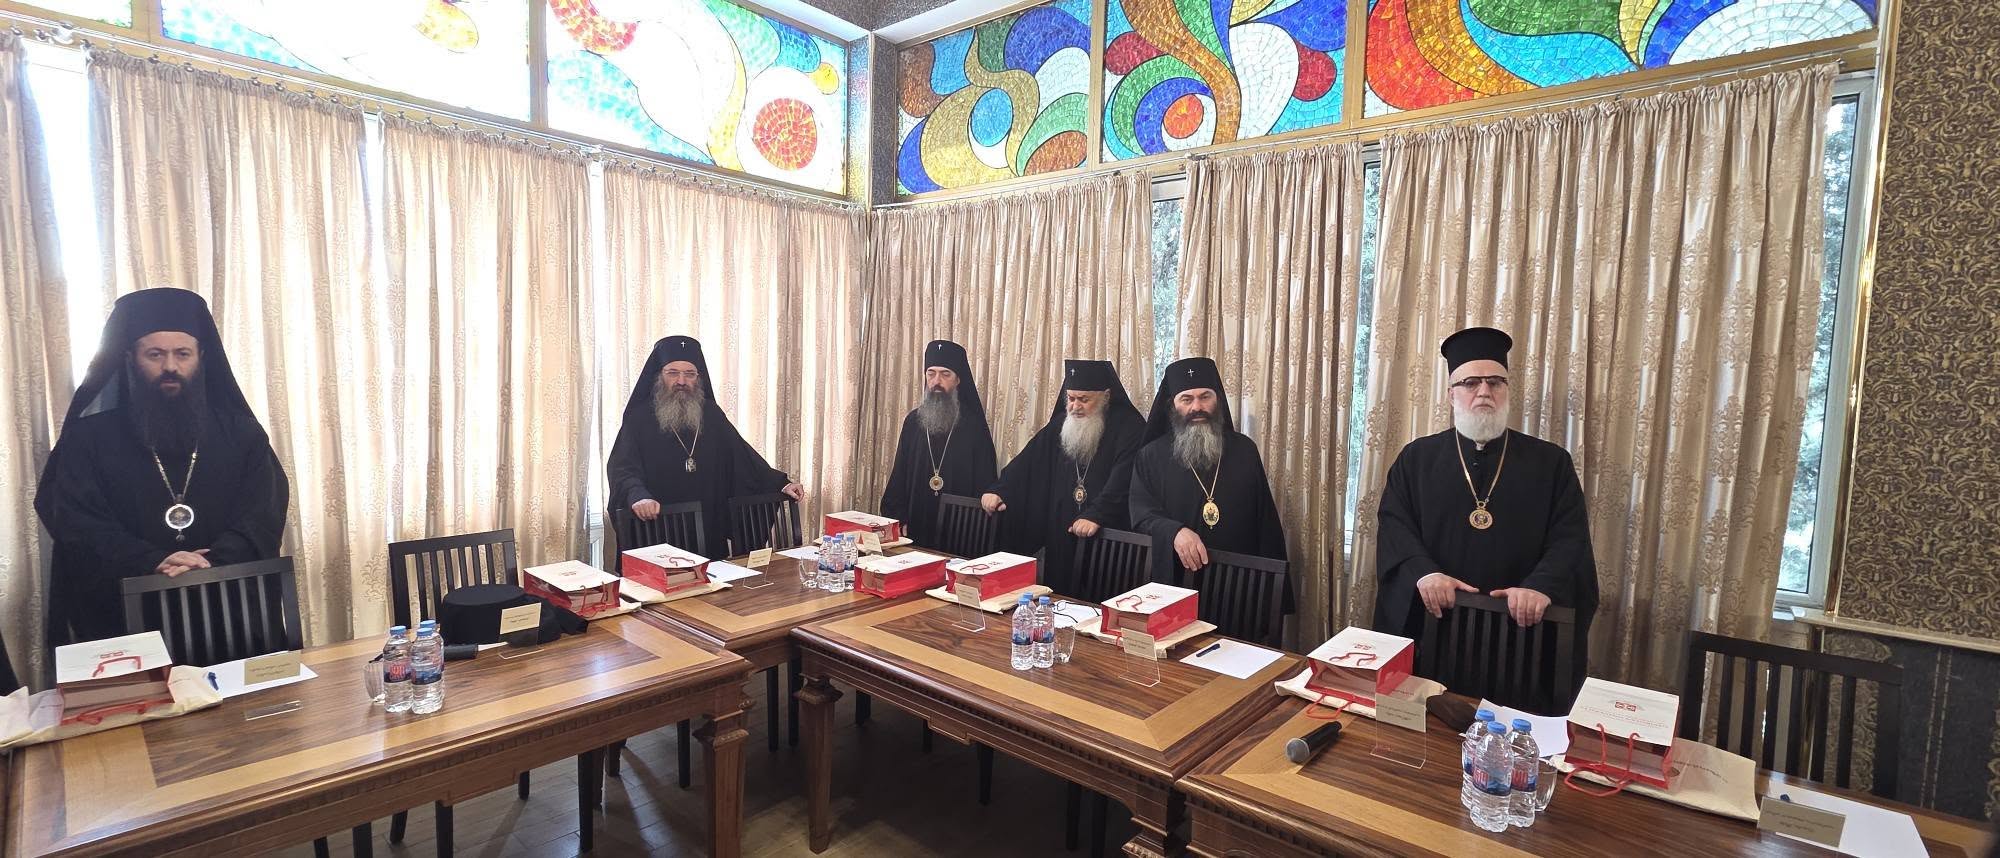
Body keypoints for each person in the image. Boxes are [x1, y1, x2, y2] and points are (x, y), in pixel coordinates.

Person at [36, 288, 289, 647]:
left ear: (201, 357)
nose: (170, 366)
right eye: (155, 354)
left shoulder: (242, 434)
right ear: (130, 358)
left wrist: (210, 562)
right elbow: (77, 522)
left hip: (229, 612)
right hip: (125, 622)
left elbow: (263, 513)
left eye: (182, 354)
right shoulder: (89, 439)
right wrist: (152, 560)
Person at [1373, 327, 1597, 712]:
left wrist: (1540, 586)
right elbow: (1395, 525)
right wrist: (1424, 573)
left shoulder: (1551, 463)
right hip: (1437, 631)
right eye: (1470, 383)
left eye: (1495, 382)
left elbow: (1570, 537)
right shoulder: (1416, 459)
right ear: (1451, 394)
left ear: (1507, 390)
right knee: (1430, 726)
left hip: (1523, 637)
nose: (1483, 392)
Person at [607, 336, 805, 555]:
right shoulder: (638, 418)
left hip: (708, 531)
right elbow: (623, 468)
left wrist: (781, 483)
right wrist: (638, 495)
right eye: (672, 373)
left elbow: (741, 456)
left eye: (689, 374)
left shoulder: (711, 414)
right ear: (658, 375)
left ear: (698, 377)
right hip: (656, 534)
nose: (681, 381)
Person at [981, 360, 1145, 595]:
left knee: (1101, 599)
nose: (1075, 406)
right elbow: (1028, 461)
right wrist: (1000, 489)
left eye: (1084, 399)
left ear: (1106, 397)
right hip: (1063, 532)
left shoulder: (1130, 427)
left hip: (1107, 538)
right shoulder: (1061, 423)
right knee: (1059, 599)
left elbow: (1124, 479)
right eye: (1071, 398)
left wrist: (1097, 514)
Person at [1128, 358, 1288, 596]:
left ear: (1217, 399)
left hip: (1239, 584)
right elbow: (1141, 514)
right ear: (1172, 405)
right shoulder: (1150, 456)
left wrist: (1273, 592)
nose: (1197, 407)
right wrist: (1175, 531)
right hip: (1179, 581)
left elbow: (1265, 521)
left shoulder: (1245, 450)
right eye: (1186, 399)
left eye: (1205, 397)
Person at [881, 340, 998, 547]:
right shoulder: (913, 422)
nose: (936, 381)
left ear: (958, 379)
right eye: (931, 373)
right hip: (915, 528)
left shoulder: (974, 427)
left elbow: (985, 482)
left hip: (959, 533)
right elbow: (900, 474)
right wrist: (899, 517)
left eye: (945, 374)